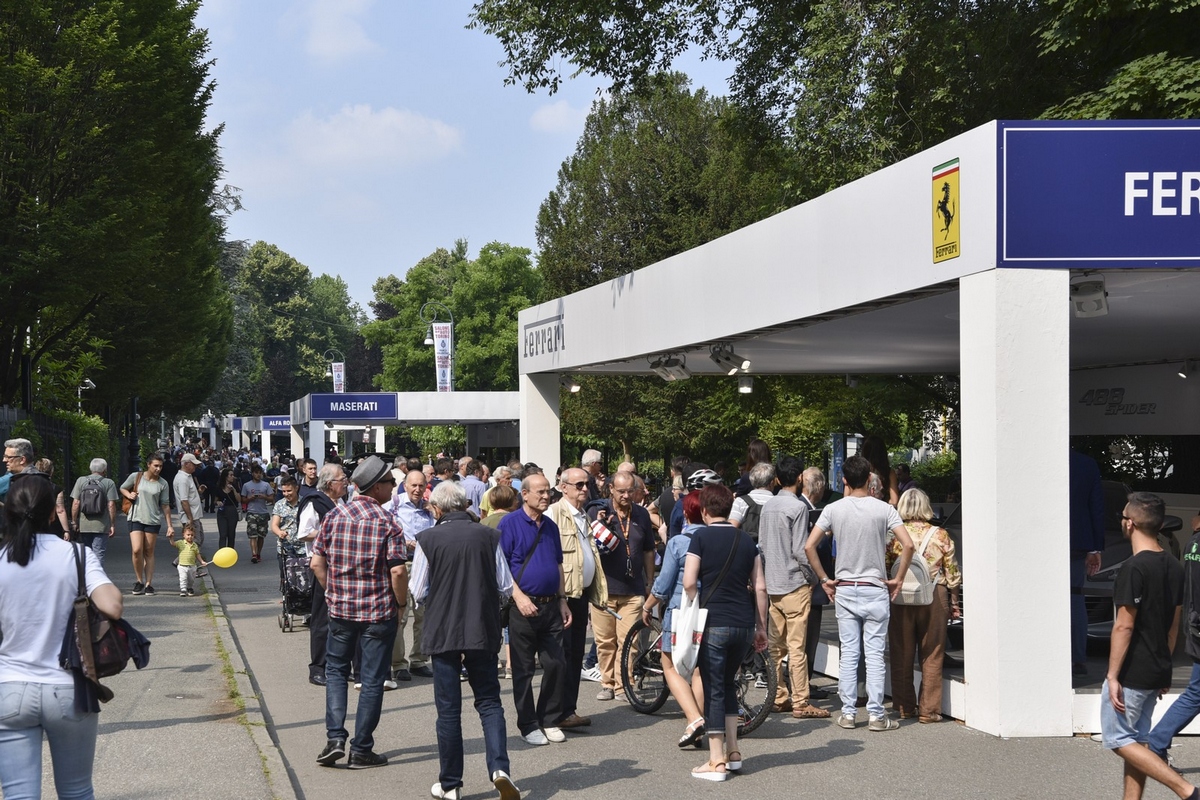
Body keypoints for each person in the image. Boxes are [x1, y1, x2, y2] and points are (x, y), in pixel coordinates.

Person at [0, 473, 124, 799]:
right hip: (69, 689)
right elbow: (112, 605)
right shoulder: (77, 556)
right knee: (77, 791)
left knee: (18, 796)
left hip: (9, 688)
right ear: (53, 514)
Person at [409, 481, 521, 800]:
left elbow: (418, 590)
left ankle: (451, 783)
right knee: (489, 701)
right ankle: (500, 768)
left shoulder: (428, 538)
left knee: (448, 709)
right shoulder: (487, 535)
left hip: (442, 629)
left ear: (437, 509)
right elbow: (504, 584)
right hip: (481, 628)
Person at [805, 454, 914, 731]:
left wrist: (824, 579)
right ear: (870, 479)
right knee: (875, 654)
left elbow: (809, 546)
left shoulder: (833, 510)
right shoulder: (884, 510)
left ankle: (849, 712)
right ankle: (877, 715)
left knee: (850, 652)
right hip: (875, 588)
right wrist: (898, 579)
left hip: (844, 588)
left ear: (843, 480)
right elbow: (908, 545)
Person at [311, 456, 407, 770]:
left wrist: (333, 592)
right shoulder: (388, 522)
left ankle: (335, 738)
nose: (394, 487)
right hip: (378, 613)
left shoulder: (334, 517)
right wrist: (401, 605)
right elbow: (397, 572)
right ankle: (362, 748)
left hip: (339, 612)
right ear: (376, 486)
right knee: (371, 679)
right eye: (390, 482)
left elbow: (316, 564)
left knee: (337, 672)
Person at [1100, 492, 1197, 800]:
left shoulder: (1134, 568)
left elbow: (1124, 625)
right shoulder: (1174, 566)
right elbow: (1173, 626)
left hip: (1132, 671)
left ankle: (1188, 791)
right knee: (1138, 742)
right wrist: (1164, 667)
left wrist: (1113, 676)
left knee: (1118, 740)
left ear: (1129, 524)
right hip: (1156, 667)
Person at [681, 484, 769, 781]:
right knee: (729, 684)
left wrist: (695, 603)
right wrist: (761, 627)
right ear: (730, 509)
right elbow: (760, 586)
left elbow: (689, 582)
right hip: (743, 623)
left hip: (713, 621)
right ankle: (734, 752)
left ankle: (716, 760)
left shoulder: (700, 537)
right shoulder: (747, 541)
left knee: (714, 687)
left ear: (704, 510)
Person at [497, 473, 571, 746]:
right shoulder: (510, 524)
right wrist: (519, 597)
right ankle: (528, 723)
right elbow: (501, 567)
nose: (545, 495)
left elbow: (558, 564)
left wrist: (562, 599)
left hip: (551, 605)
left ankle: (548, 718)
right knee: (524, 669)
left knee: (555, 664)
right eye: (539, 491)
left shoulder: (550, 526)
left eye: (547, 491)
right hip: (523, 608)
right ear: (524, 494)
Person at [758, 456, 828, 719]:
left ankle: (778, 696)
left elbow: (762, 546)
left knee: (775, 647)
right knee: (797, 647)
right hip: (794, 583)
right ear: (799, 478)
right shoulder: (798, 508)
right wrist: (812, 577)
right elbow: (801, 549)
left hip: (773, 581)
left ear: (777, 479)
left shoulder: (769, 506)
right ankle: (801, 701)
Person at [886, 488, 961, 723]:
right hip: (933, 595)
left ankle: (904, 707)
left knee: (901, 651)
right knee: (932, 653)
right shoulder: (941, 535)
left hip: (901, 595)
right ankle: (929, 711)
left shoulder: (893, 536)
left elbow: (887, 566)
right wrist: (955, 602)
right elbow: (953, 573)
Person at [644, 490, 708, 746]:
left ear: (685, 514)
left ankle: (694, 719)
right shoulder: (713, 539)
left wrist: (648, 606)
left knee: (670, 666)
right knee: (698, 670)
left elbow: (663, 583)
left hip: (679, 610)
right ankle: (696, 720)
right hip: (705, 610)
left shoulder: (679, 542)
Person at [588, 470, 656, 701]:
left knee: (629, 640)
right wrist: (599, 526)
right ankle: (607, 683)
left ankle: (623, 685)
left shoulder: (642, 515)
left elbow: (649, 550)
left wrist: (649, 581)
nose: (626, 496)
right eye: (621, 492)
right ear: (611, 490)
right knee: (605, 641)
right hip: (604, 590)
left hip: (633, 589)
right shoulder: (598, 511)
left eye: (631, 491)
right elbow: (589, 546)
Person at [548, 467, 608, 730]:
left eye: (587, 484)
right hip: (564, 595)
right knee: (561, 654)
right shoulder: (554, 514)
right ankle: (554, 713)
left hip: (580, 594)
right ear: (564, 487)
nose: (585, 488)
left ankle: (567, 710)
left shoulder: (582, 514)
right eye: (579, 484)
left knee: (574, 655)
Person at [1148, 511, 1200, 765]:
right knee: (1196, 693)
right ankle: (1157, 743)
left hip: (1195, 622)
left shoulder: (1193, 543)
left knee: (1196, 692)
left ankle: (1157, 742)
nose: (1191, 521)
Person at [297, 463, 349, 686]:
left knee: (345, 619)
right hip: (322, 566)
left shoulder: (343, 502)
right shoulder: (314, 502)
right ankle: (318, 667)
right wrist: (331, 532)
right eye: (342, 479)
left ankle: (342, 665)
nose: (346, 482)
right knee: (321, 619)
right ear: (330, 484)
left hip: (344, 565)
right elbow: (303, 533)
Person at [388, 468, 435, 683]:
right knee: (401, 615)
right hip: (403, 564)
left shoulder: (429, 509)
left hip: (425, 566)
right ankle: (398, 664)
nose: (417, 489)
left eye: (421, 485)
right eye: (413, 485)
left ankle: (418, 660)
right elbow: (382, 532)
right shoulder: (392, 506)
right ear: (405, 486)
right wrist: (402, 542)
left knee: (424, 615)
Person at [1070, 449, 1106, 675]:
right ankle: (1077, 658)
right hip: (1077, 540)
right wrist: (1095, 548)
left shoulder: (1036, 457)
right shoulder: (1086, 464)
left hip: (1040, 540)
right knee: (1074, 597)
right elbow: (1096, 506)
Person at [121, 454, 174, 596]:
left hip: (152, 520)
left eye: (160, 466)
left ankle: (149, 583)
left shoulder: (162, 483)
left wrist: (169, 525)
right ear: (148, 465)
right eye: (155, 465)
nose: (158, 469)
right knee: (137, 550)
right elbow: (122, 488)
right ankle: (139, 581)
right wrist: (129, 494)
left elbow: (165, 505)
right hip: (135, 518)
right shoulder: (136, 477)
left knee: (149, 552)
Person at [70, 458, 119, 566]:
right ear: (104, 469)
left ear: (90, 468)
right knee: (99, 553)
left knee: (86, 553)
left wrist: (74, 521)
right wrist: (112, 524)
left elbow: (76, 503)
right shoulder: (108, 482)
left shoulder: (81, 481)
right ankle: (97, 579)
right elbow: (111, 505)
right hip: (101, 525)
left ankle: (86, 579)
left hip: (85, 524)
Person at [729, 461, 775, 541]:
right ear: (771, 483)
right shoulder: (777, 503)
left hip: (747, 549)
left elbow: (731, 528)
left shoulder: (741, 501)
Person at [173, 453, 206, 553]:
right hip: (191, 516)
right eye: (193, 464)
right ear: (186, 464)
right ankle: (186, 562)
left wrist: (199, 492)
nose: (195, 467)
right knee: (195, 541)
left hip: (193, 515)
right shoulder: (183, 479)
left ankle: (185, 562)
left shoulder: (187, 476)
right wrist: (190, 518)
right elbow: (184, 500)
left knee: (197, 540)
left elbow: (188, 497)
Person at [242, 465, 274, 564]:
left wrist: (264, 497)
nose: (258, 475)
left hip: (263, 513)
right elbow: (243, 500)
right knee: (252, 535)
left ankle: (259, 553)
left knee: (261, 535)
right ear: (252, 474)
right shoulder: (247, 485)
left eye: (260, 473)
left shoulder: (266, 485)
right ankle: (254, 554)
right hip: (252, 512)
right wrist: (249, 498)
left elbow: (271, 498)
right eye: (256, 473)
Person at [169, 522, 208, 596]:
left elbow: (197, 554)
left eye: (192, 535)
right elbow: (173, 544)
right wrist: (171, 538)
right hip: (182, 565)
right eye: (188, 535)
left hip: (192, 566)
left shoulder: (194, 545)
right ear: (183, 535)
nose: (190, 537)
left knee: (191, 579)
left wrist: (202, 561)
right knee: (183, 578)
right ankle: (183, 589)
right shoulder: (181, 543)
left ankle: (189, 587)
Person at [860, 435, 899, 506]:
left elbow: (848, 497)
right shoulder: (889, 472)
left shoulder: (858, 470)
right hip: (881, 513)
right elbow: (894, 501)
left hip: (859, 510)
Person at [214, 466, 241, 551]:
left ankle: (230, 552)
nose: (233, 477)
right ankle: (222, 552)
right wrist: (218, 502)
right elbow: (215, 500)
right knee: (223, 534)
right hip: (222, 511)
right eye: (231, 475)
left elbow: (239, 500)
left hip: (232, 510)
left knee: (231, 534)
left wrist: (233, 490)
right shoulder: (219, 487)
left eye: (233, 475)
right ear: (226, 476)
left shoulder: (235, 486)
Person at [0, 437, 34, 503]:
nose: (4, 460)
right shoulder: (42, 478)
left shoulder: (10, 478)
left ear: (22, 460)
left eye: (9, 457)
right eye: (4, 456)